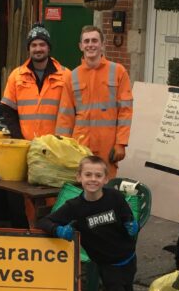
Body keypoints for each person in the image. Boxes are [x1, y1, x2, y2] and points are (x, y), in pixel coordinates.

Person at [38, 155, 140, 291]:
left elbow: (127, 216)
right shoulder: (75, 207)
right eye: (88, 175)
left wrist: (132, 225)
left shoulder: (114, 197)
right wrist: (58, 231)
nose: (92, 179)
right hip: (107, 265)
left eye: (98, 175)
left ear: (106, 178)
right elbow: (45, 222)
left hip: (128, 259)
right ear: (79, 177)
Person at [56, 25, 133, 180]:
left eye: (94, 41)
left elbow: (125, 111)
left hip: (108, 145)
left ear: (102, 45)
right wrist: (62, 146)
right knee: (81, 187)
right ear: (80, 46)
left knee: (106, 185)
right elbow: (66, 115)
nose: (90, 44)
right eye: (86, 41)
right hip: (80, 144)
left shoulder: (118, 71)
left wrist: (121, 143)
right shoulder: (72, 76)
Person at [1, 24, 69, 139]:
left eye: (42, 45)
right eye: (34, 45)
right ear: (29, 49)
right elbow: (8, 112)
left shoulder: (66, 75)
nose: (38, 49)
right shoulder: (16, 76)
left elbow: (72, 113)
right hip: (26, 144)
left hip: (56, 147)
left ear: (48, 48)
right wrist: (19, 138)